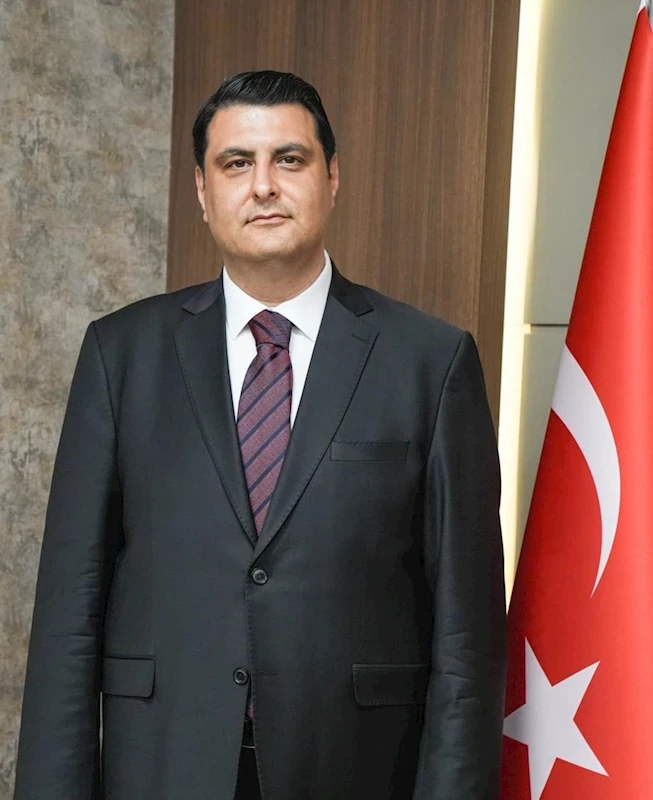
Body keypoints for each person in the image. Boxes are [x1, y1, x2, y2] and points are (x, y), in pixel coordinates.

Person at [13, 70, 506, 800]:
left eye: (290, 159)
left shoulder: (430, 362)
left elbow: (467, 636)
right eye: (237, 163)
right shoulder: (122, 356)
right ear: (202, 190)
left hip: (355, 770)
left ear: (331, 178)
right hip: (164, 765)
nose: (264, 186)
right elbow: (68, 616)